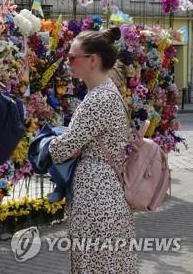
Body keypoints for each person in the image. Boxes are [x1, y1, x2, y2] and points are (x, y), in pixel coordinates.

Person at [48, 28, 137, 273]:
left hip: (96, 196)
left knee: (96, 264)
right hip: (104, 191)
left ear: (93, 60)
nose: (68, 62)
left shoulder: (98, 99)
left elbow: (61, 150)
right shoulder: (107, 92)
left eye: (72, 57)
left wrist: (51, 142)